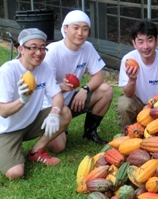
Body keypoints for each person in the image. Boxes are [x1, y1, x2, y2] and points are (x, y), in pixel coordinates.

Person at [0, 28, 72, 180]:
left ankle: (35, 152)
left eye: (43, 48)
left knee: (64, 112)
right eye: (33, 47)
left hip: (29, 123)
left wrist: (54, 112)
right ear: (21, 49)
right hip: (4, 129)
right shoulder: (8, 71)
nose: (39, 52)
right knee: (15, 173)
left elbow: (56, 94)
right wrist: (23, 100)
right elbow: (3, 111)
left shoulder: (43, 67)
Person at [43, 9, 113, 150]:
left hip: (73, 99)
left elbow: (99, 75)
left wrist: (84, 89)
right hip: (51, 105)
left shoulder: (87, 47)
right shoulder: (52, 51)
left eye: (85, 29)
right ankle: (55, 124)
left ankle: (90, 132)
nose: (80, 33)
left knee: (106, 90)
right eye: (76, 28)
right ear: (65, 28)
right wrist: (62, 88)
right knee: (58, 147)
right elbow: (43, 87)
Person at [116, 19, 158, 130]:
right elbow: (128, 94)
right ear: (134, 43)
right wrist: (132, 80)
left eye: (149, 40)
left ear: (157, 41)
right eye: (140, 42)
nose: (146, 46)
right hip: (137, 104)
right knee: (124, 103)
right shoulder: (128, 60)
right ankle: (129, 131)